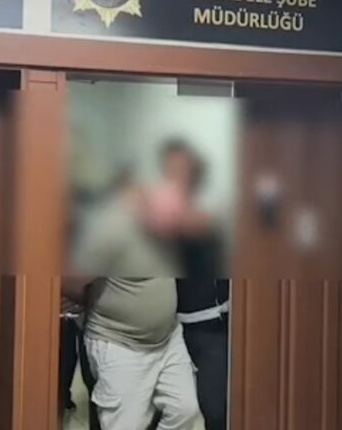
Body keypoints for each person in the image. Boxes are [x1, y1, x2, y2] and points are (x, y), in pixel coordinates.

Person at [64, 164, 201, 430]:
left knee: (184, 410)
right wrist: (89, 303)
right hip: (120, 344)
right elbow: (69, 282)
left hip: (167, 340)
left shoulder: (166, 228)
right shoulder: (110, 231)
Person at [156, 140, 230, 430]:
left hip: (215, 326)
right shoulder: (154, 212)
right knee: (166, 409)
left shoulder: (213, 207)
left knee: (215, 409)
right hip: (170, 328)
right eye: (172, 170)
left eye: (185, 169)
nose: (180, 177)